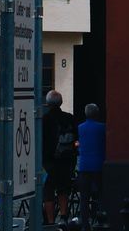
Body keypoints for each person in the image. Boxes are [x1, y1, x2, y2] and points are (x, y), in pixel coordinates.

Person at [41, 89, 75, 225]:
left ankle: (50, 222)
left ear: (47, 103)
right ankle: (64, 217)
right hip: (66, 161)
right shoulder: (69, 118)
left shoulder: (44, 119)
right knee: (63, 190)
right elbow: (75, 139)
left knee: (48, 192)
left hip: (49, 162)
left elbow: (40, 140)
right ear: (61, 102)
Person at [76, 104, 106, 231]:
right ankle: (99, 218)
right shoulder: (102, 127)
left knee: (84, 197)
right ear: (97, 113)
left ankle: (85, 224)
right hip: (98, 164)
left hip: (84, 165)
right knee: (100, 194)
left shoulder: (80, 127)